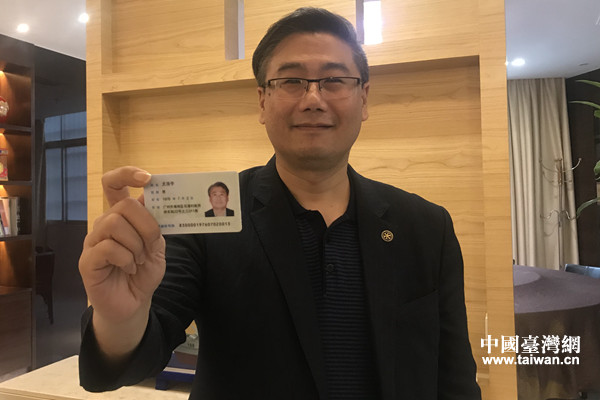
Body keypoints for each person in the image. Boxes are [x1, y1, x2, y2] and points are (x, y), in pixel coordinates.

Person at [78, 7, 481, 400]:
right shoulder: (209, 219)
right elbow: (137, 355)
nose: (313, 99)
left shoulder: (426, 226)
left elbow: (455, 379)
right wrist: (120, 317)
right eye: (291, 81)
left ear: (364, 98)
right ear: (262, 101)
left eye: (334, 80)